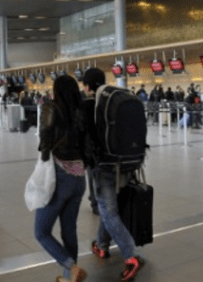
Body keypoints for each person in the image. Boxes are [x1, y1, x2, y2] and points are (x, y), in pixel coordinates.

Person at [82, 68, 144, 282]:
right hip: (127, 162)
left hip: (105, 165)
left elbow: (85, 135)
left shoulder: (91, 103)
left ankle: (130, 257)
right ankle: (101, 246)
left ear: (87, 85)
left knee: (108, 212)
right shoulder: (116, 96)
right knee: (108, 207)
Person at [34, 75, 88, 282]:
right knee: (69, 231)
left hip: (59, 174)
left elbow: (44, 139)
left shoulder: (51, 107)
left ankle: (71, 268)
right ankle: (69, 277)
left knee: (41, 232)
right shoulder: (81, 110)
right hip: (79, 176)